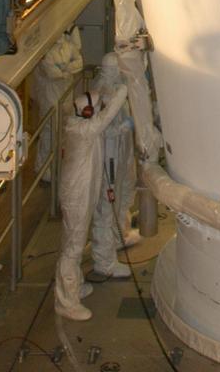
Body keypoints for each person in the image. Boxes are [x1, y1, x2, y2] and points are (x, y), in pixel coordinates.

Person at [55, 84, 129, 321]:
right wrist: (127, 84)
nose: (100, 110)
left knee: (75, 243)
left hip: (84, 192)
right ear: (87, 112)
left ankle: (75, 286)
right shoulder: (82, 130)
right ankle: (66, 301)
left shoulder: (84, 126)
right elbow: (107, 116)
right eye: (96, 108)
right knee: (73, 248)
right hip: (76, 196)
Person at [90, 53, 139, 278]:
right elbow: (100, 128)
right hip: (107, 156)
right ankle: (104, 261)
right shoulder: (102, 93)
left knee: (121, 195)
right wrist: (122, 128)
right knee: (105, 207)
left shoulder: (116, 87)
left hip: (118, 153)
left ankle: (119, 237)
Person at [30, 27, 84, 174]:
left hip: (65, 97)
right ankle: (44, 170)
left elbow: (79, 63)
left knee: (63, 132)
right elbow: (52, 73)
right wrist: (67, 69)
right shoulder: (45, 51)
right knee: (49, 133)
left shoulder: (67, 47)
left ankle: (58, 166)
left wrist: (64, 69)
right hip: (49, 98)